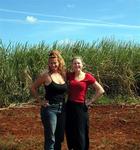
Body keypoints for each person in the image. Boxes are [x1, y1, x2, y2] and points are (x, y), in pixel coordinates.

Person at [30, 50, 67, 150]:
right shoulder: (46, 76)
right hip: (50, 109)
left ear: (58, 63)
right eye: (51, 63)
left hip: (62, 109)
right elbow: (32, 87)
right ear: (48, 64)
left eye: (55, 62)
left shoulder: (62, 75)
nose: (53, 65)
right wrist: (40, 101)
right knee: (51, 138)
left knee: (59, 137)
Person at [65, 56, 105, 150]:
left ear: (82, 65)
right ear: (72, 65)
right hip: (69, 106)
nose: (76, 65)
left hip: (81, 108)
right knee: (70, 131)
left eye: (78, 63)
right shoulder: (69, 75)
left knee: (81, 132)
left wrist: (90, 101)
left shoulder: (88, 77)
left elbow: (100, 90)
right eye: (74, 63)